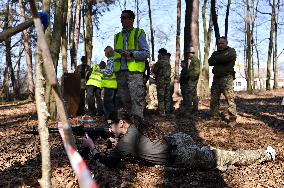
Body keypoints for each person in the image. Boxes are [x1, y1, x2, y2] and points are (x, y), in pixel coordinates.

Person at [82, 108, 276, 170]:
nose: (109, 128)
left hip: (183, 155)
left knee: (226, 157)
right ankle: (207, 153)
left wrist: (92, 149)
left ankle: (266, 154)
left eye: (111, 124)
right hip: (178, 139)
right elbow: (139, 145)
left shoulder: (126, 142)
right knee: (213, 153)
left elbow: (110, 163)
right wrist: (116, 144)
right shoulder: (134, 127)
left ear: (122, 123)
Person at [113, 9, 150, 119]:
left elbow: (146, 53)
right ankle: (128, 128)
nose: (122, 20)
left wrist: (131, 54)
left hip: (134, 74)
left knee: (136, 100)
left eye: (125, 17)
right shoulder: (117, 36)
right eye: (121, 18)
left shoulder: (139, 33)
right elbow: (116, 56)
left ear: (131, 19)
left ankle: (138, 128)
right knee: (124, 101)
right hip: (121, 73)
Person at [209, 36, 237, 126]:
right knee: (214, 99)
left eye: (222, 43)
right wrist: (220, 58)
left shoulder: (231, 51)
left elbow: (225, 58)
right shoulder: (216, 52)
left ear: (226, 43)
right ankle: (214, 117)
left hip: (227, 78)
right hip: (216, 78)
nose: (220, 45)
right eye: (219, 43)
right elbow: (210, 62)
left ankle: (232, 119)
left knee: (230, 99)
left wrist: (217, 58)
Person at [152, 48, 172, 116]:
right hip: (167, 82)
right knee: (167, 97)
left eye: (159, 54)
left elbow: (154, 71)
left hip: (161, 82)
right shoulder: (168, 62)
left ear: (160, 54)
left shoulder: (159, 62)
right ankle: (167, 111)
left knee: (161, 97)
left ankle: (161, 113)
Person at [101, 46, 117, 120]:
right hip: (113, 85)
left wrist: (100, 71)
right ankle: (114, 118)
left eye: (105, 52)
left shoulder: (111, 60)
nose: (105, 54)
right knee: (113, 102)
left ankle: (110, 119)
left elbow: (109, 72)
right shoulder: (115, 60)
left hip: (110, 85)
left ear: (108, 52)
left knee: (108, 102)